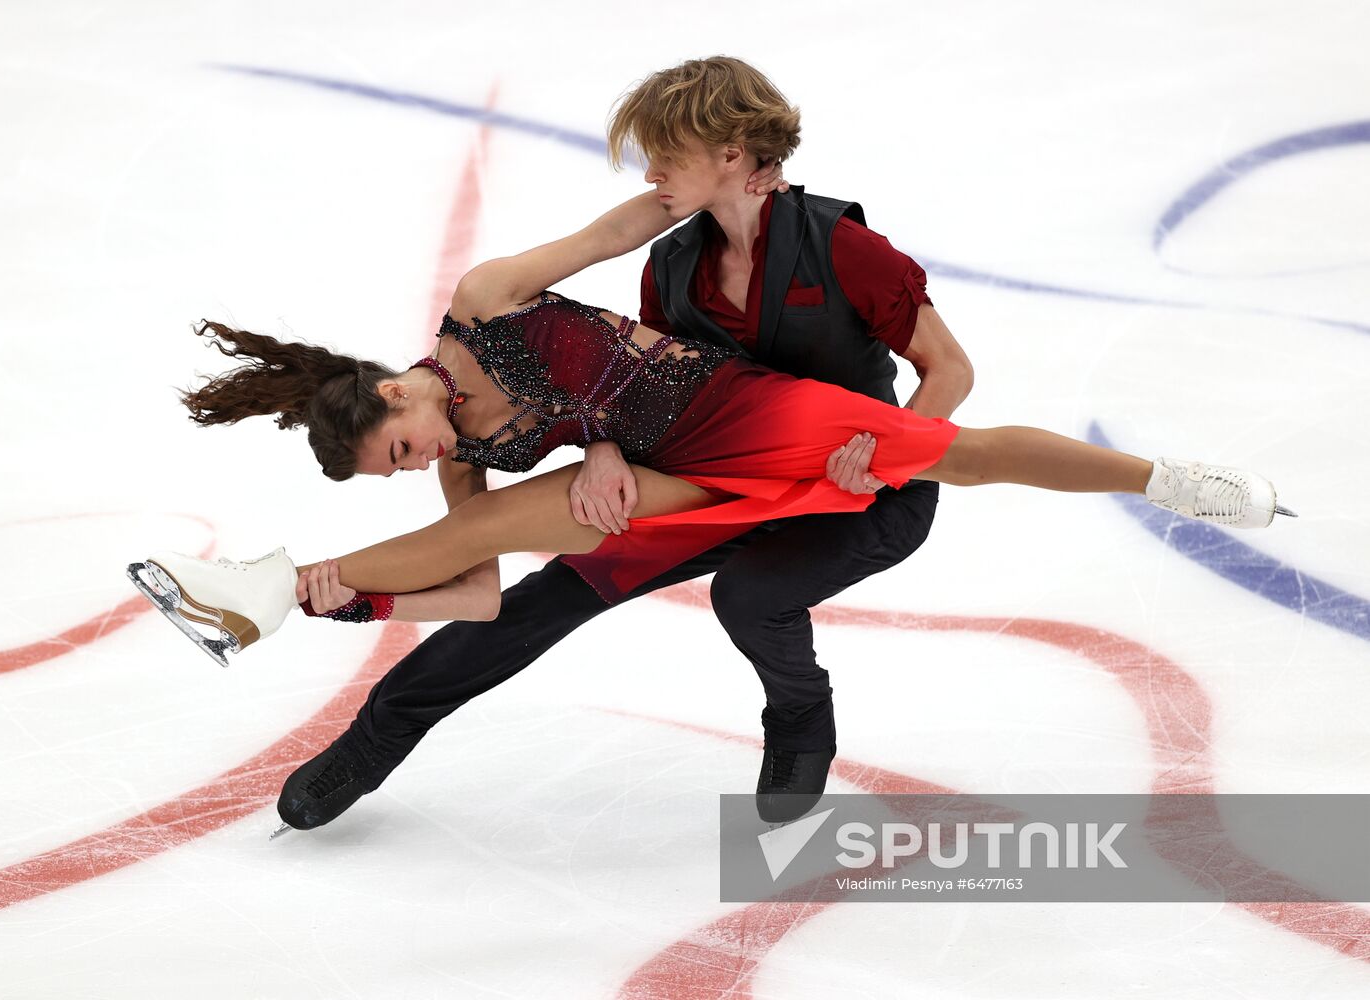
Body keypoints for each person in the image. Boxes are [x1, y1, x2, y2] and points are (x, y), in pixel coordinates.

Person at [135, 62, 1291, 835]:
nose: (649, 174)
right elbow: (478, 579)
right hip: (665, 473)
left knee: (917, 486)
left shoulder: (838, 247)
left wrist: (869, 453)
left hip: (763, 433)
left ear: (738, 158)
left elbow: (954, 387)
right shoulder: (675, 266)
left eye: (668, 156)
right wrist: (364, 598)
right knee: (505, 568)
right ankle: (286, 608)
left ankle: (1168, 483)